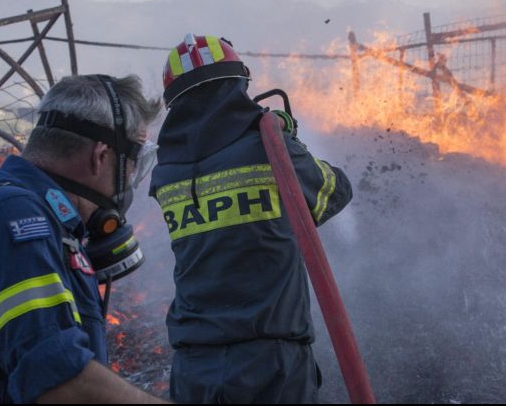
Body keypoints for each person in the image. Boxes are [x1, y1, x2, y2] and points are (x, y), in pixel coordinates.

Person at [0, 74, 168, 403]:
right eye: (134, 161)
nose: (132, 179)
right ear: (101, 156)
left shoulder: (25, 212)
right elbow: (57, 382)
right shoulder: (16, 218)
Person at [149, 34, 353, 403]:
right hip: (269, 361)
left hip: (193, 364)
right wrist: (290, 142)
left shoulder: (165, 174)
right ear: (237, 86)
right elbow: (332, 195)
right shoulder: (267, 146)